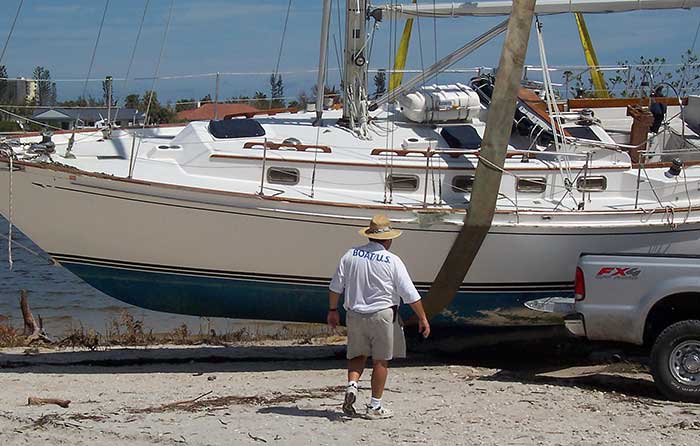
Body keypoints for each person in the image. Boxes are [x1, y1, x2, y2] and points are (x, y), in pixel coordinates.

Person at [327, 214, 430, 420]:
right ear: (388, 239)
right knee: (380, 361)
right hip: (382, 315)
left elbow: (335, 286)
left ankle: (352, 385)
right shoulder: (392, 260)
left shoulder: (351, 255)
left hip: (355, 314)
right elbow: (409, 293)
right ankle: (374, 405)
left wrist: (332, 310)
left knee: (357, 355)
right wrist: (423, 318)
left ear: (369, 236)